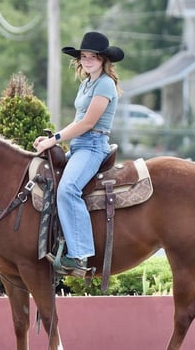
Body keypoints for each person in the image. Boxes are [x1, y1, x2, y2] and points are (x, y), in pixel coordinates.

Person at [33, 31, 124, 275]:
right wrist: (53, 140)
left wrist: (53, 140)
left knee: (68, 189)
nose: (87, 60)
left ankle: (80, 256)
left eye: (93, 56)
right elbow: (77, 121)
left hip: (93, 146)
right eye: (84, 56)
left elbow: (87, 123)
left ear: (103, 59)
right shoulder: (87, 83)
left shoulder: (105, 83)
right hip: (79, 145)